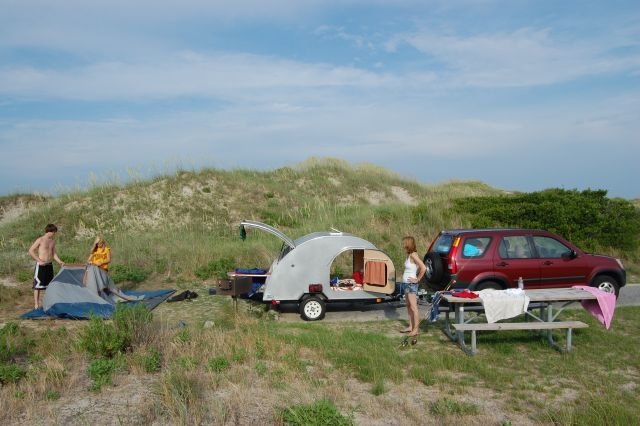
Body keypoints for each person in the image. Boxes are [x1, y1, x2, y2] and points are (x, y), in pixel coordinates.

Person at [28, 223, 65, 309]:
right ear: (49, 231)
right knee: (37, 286)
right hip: (41, 265)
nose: (54, 234)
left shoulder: (52, 241)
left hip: (49, 265)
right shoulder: (40, 240)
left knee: (49, 285)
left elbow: (54, 254)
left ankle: (47, 303)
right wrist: (39, 260)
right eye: (53, 232)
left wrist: (60, 262)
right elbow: (31, 251)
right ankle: (36, 305)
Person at [400, 236, 426, 337]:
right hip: (407, 283)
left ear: (408, 243)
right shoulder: (409, 255)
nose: (403, 244)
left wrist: (417, 279)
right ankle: (411, 326)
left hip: (411, 284)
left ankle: (416, 330)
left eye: (404, 242)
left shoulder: (413, 255)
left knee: (414, 307)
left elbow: (423, 267)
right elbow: (415, 268)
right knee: (408, 305)